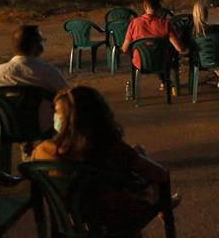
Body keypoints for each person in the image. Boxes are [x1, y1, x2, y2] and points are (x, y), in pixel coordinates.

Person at [32, 86, 175, 231]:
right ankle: (164, 207)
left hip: (70, 220)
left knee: (136, 157)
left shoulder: (43, 151)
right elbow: (160, 174)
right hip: (113, 219)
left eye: (56, 111)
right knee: (141, 166)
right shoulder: (112, 150)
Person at [0, 25, 68, 135]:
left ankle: (24, 146)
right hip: (42, 127)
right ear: (35, 46)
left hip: (7, 127)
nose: (44, 42)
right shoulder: (48, 71)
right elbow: (67, 95)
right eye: (41, 40)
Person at [123, 0, 187, 89]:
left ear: (144, 6)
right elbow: (180, 48)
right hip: (162, 62)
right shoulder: (165, 24)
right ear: (159, 7)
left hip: (140, 63)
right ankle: (167, 81)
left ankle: (163, 81)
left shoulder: (134, 23)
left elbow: (124, 49)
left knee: (150, 52)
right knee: (166, 51)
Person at [192, 2, 219, 87]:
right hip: (217, 58)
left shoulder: (193, 32)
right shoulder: (216, 28)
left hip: (200, 61)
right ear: (206, 14)